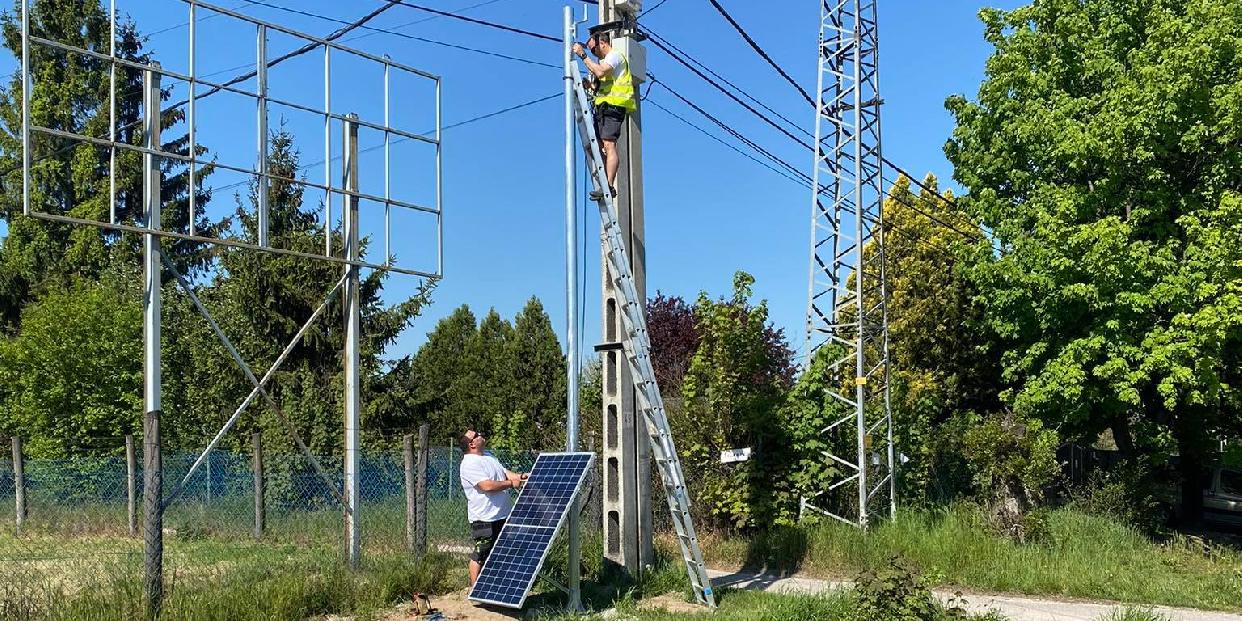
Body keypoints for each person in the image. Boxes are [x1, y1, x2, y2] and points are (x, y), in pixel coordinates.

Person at [573, 28, 637, 201]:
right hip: (603, 106)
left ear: (603, 43)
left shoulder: (614, 56)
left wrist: (583, 56)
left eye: (594, 49)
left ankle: (608, 184)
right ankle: (605, 181)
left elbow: (601, 72)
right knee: (597, 146)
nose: (593, 53)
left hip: (614, 106)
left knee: (609, 145)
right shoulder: (604, 60)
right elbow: (602, 84)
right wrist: (589, 86)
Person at [459, 429, 528, 587]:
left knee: (501, 551)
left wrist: (519, 477)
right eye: (477, 435)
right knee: (481, 552)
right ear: (472, 444)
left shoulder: (488, 456)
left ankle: (497, 585)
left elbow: (503, 473)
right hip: (484, 517)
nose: (481, 435)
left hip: (502, 514)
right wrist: (512, 484)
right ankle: (475, 588)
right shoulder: (469, 463)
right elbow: (486, 485)